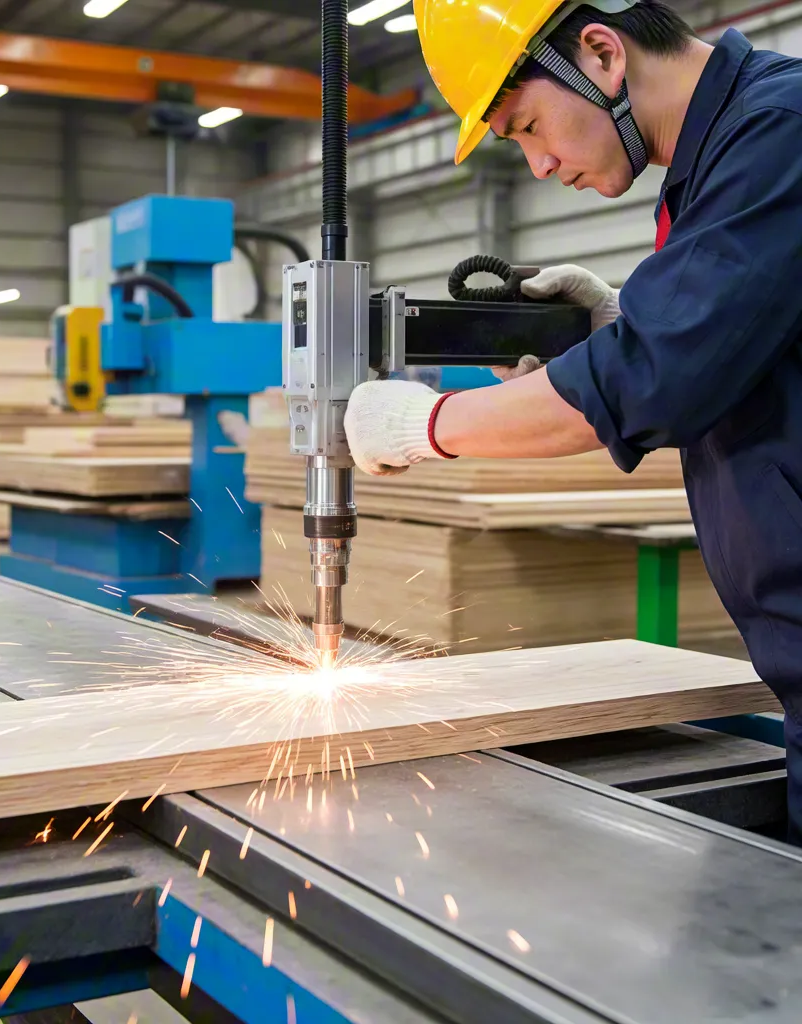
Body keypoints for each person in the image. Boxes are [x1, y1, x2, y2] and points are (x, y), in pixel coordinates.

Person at [343, 0, 802, 844]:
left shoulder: (780, 133)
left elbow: (653, 383)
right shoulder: (722, 163)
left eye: (528, 128)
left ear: (600, 53)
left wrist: (425, 425)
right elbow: (743, 354)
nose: (542, 164)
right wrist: (624, 321)